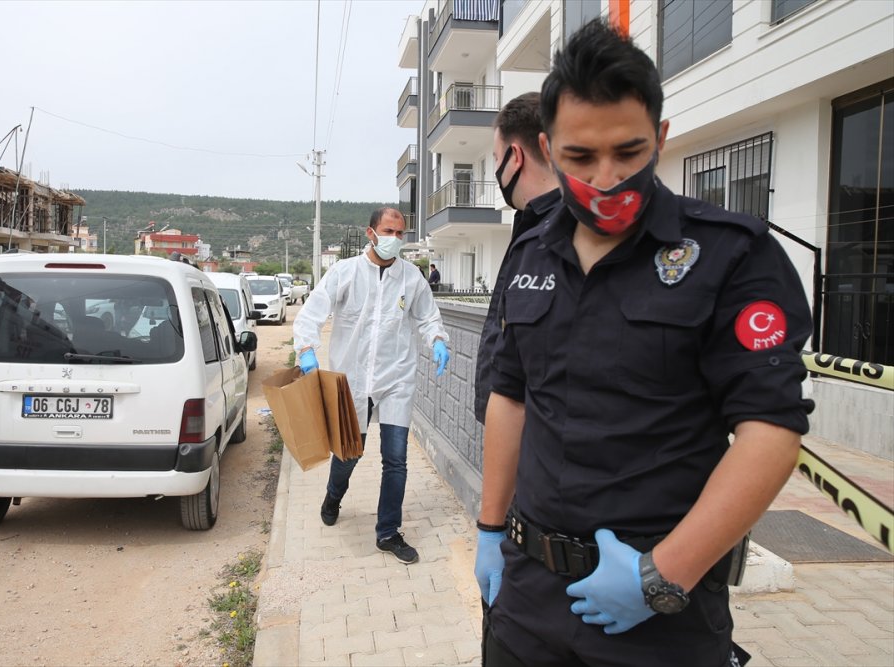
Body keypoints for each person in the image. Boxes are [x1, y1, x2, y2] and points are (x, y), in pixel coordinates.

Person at [475, 19, 813, 667]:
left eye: (628, 152)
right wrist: (490, 530)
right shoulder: (529, 252)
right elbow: (510, 396)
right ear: (547, 147)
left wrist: (662, 574)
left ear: (660, 137)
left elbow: (770, 430)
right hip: (527, 598)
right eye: (580, 157)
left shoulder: (731, 255)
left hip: (660, 612)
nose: (606, 179)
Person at [293, 207, 450, 565]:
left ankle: (388, 532)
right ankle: (334, 495)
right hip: (353, 380)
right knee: (350, 453)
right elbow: (312, 313)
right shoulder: (345, 272)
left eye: (400, 233)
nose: (395, 238)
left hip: (396, 378)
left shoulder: (411, 277)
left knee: (396, 459)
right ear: (371, 233)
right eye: (388, 231)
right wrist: (305, 349)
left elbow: (428, 317)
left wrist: (438, 339)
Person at [474, 92, 563, 425]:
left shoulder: (566, 234)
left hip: (539, 436)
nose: (497, 171)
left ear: (515, 157)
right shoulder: (530, 227)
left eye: (496, 158)